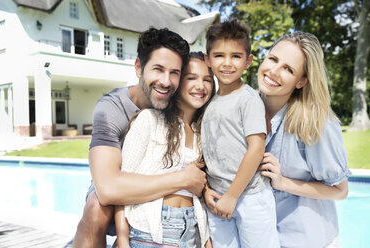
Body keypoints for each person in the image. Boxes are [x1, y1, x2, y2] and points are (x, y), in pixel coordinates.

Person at [73, 28, 208, 248]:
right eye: (158, 69)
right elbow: (108, 189)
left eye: (174, 72)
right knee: (96, 210)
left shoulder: (180, 102)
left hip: (167, 214)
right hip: (118, 182)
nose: (166, 81)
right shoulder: (111, 108)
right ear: (139, 67)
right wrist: (184, 180)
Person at [257, 31, 351, 248]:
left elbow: (341, 191)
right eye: (273, 59)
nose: (274, 71)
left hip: (308, 240)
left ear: (301, 81)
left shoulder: (317, 124)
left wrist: (283, 182)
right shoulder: (246, 108)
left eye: (288, 69)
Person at [114, 52, 214, 248]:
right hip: (150, 230)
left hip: (191, 230)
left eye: (207, 80)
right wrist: (123, 240)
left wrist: (206, 240)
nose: (200, 86)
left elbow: (200, 188)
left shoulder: (204, 132)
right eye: (191, 78)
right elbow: (122, 186)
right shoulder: (149, 120)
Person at [201, 19, 280, 247]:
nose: (227, 63)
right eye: (219, 56)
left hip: (249, 197)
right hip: (218, 198)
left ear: (248, 61)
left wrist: (233, 196)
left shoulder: (249, 99)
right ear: (208, 59)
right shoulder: (209, 103)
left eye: (236, 56)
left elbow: (256, 148)